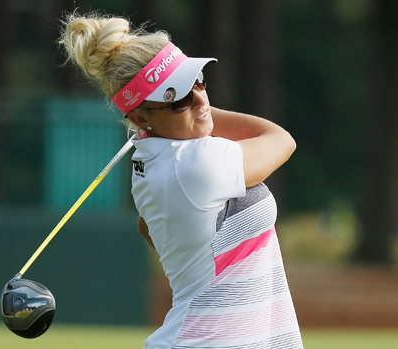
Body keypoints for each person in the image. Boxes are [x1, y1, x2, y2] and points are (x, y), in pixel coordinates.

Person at [60, 12, 303, 349]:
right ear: (141, 116)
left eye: (199, 80)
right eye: (179, 97)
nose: (201, 99)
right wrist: (203, 112)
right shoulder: (197, 162)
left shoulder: (149, 163)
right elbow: (280, 140)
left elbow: (147, 228)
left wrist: (186, 106)